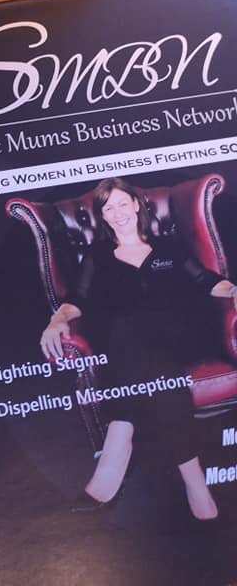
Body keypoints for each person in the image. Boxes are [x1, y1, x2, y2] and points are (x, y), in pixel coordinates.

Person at [39, 177, 237, 520]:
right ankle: (195, 480)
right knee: (147, 358)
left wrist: (233, 290)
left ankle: (118, 442)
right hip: (135, 349)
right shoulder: (98, 255)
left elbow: (206, 281)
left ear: (136, 204)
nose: (117, 213)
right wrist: (58, 319)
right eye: (108, 208)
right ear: (103, 216)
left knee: (132, 340)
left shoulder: (168, 246)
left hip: (179, 336)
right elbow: (77, 299)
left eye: (122, 204)